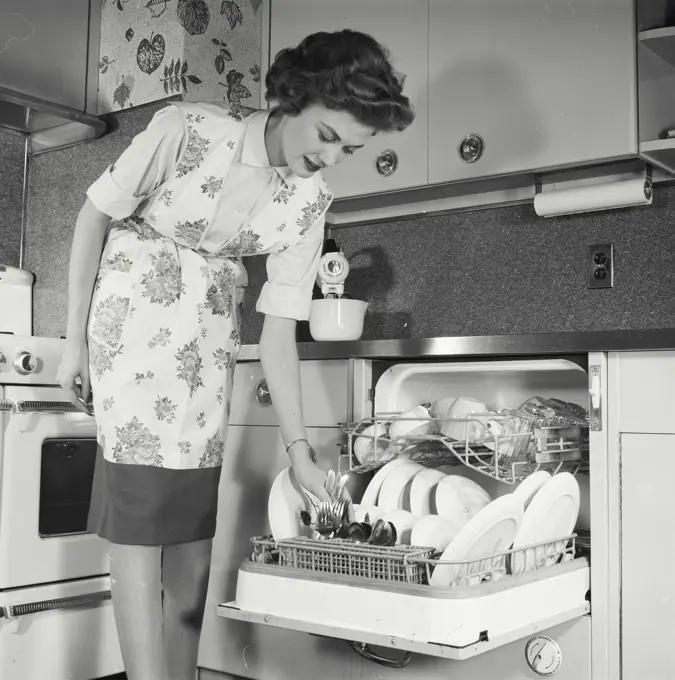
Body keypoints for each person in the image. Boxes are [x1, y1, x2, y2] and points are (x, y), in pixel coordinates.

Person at [57, 28, 414, 680]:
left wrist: (299, 451)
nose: (331, 156)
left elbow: (278, 332)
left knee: (192, 525)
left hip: (207, 341)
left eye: (350, 148)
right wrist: (72, 340)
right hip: (133, 326)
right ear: (293, 98)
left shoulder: (309, 202)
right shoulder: (186, 128)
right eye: (326, 135)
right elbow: (92, 217)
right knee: (140, 522)